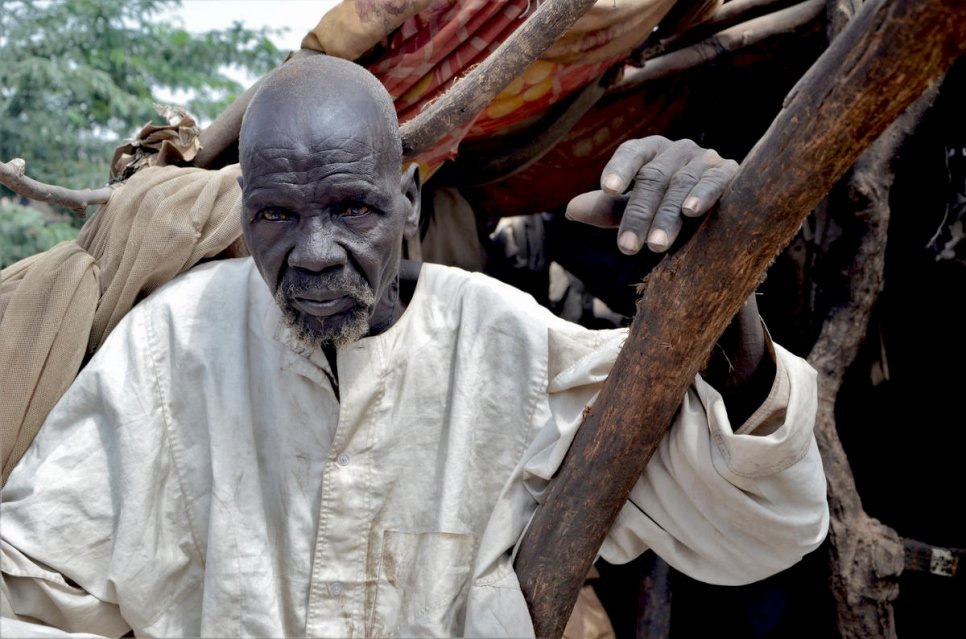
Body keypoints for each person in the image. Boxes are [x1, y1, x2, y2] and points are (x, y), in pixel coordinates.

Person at [0, 54, 828, 638]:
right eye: (278, 216)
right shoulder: (170, 346)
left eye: (352, 208)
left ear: (406, 202)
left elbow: (765, 525)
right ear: (244, 209)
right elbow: (32, 588)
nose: (315, 250)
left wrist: (723, 300)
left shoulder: (516, 350)